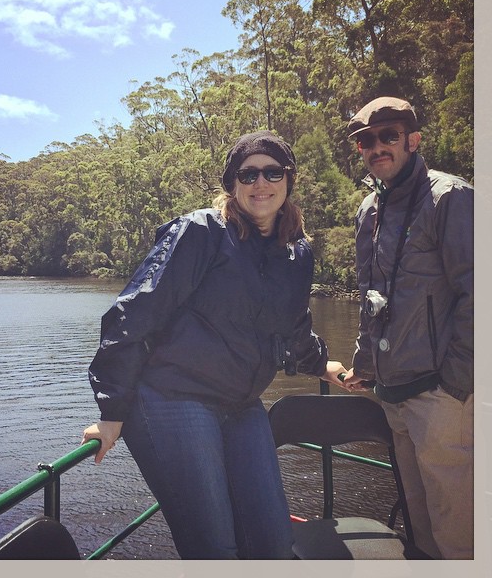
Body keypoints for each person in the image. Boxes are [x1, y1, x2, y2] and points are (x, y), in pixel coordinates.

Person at [81, 131, 348, 559]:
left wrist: (321, 364)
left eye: (272, 172)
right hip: (172, 399)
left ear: (288, 180)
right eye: (248, 174)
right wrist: (112, 412)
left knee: (273, 541)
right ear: (232, 183)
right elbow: (133, 313)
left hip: (242, 404)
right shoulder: (201, 232)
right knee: (214, 545)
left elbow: (293, 323)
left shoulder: (297, 251)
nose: (261, 183)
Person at [342, 97, 474, 559]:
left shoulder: (450, 197)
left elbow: (477, 293)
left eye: (388, 136)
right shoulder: (368, 210)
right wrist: (365, 364)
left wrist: (455, 382)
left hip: (440, 395)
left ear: (413, 140)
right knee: (421, 528)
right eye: (365, 140)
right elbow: (370, 294)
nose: (376, 147)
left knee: (458, 534)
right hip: (393, 393)